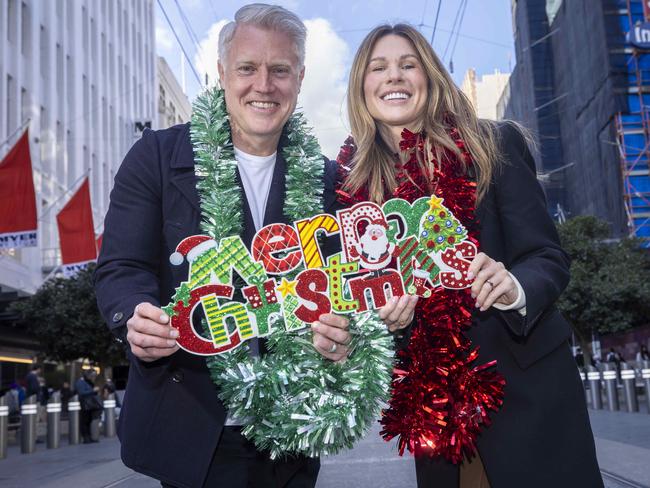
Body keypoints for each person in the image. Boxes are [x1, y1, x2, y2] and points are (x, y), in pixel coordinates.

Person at [94, 4, 355, 487]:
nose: (263, 85)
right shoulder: (156, 155)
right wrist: (134, 314)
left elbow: (347, 288)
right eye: (247, 68)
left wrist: (344, 332)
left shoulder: (328, 179)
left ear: (300, 79)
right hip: (192, 424)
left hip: (292, 432)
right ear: (221, 73)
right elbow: (121, 267)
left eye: (280, 70)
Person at [338, 24, 603, 488]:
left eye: (408, 64)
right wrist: (385, 323)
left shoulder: (491, 144)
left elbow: (547, 256)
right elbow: (358, 304)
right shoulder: (355, 193)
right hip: (434, 411)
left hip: (525, 390)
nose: (393, 77)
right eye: (378, 68)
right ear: (362, 87)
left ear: (430, 75)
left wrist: (514, 286)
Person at [75, 369, 102, 443]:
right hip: (85, 404)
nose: (93, 377)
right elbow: (82, 393)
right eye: (92, 375)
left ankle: (89, 437)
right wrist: (93, 390)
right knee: (85, 421)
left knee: (88, 421)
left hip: (89, 405)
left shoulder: (87, 382)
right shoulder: (80, 382)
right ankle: (86, 438)